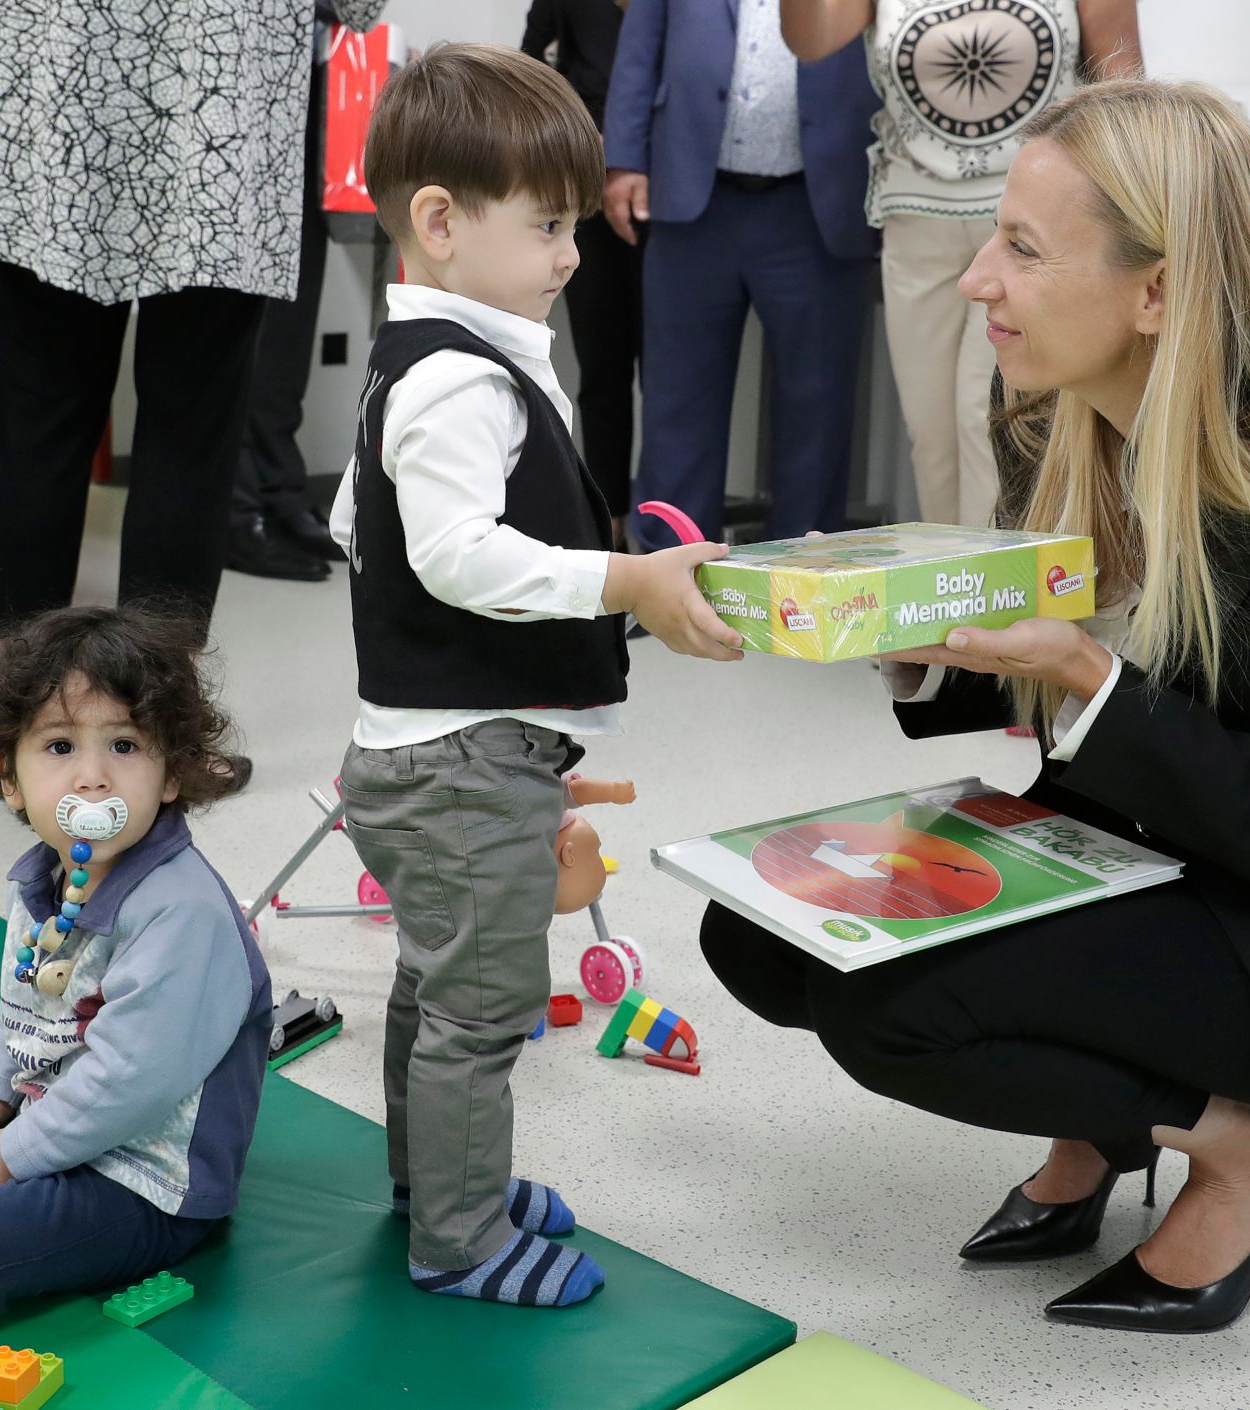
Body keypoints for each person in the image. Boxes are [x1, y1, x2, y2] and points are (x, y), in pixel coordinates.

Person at [698, 79, 1250, 1333]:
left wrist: (1089, 684)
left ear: (1156, 292)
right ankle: (1101, 1130)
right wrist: (906, 641)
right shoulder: (1053, 408)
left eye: (1022, 250)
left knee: (894, 1009)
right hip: (1138, 848)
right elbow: (1028, 647)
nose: (978, 280)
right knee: (762, 937)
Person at [331, 43, 741, 1310]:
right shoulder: (460, 373)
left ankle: (434, 1183)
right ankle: (457, 1240)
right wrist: (619, 584)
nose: (571, 253)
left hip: (424, 744)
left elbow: (359, 521)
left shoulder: (434, 355)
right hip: (460, 760)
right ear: (442, 224)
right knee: (484, 1006)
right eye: (547, 224)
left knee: (436, 984)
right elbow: (450, 553)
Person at [0, 604, 271, 1319]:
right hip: (52, 1100)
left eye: (125, 746)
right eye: (60, 747)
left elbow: (124, 1084)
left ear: (170, 776)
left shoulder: (182, 913)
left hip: (137, 1182)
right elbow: (21, 1016)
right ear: (10, 778)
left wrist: (0, 1156)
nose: (93, 778)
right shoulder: (45, 878)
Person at [0, 0, 384, 635]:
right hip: (216, 131)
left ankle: (22, 717)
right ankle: (159, 711)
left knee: (37, 424)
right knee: (191, 431)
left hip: (40, 119)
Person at [780, 0, 1142, 528]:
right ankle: (948, 592)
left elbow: (1123, 92)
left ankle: (993, 593)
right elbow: (810, 41)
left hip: (1034, 228)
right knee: (929, 433)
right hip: (915, 218)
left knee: (990, 421)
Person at [602, 0, 880, 549]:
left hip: (818, 202)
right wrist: (625, 160)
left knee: (818, 407)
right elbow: (639, 46)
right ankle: (671, 572)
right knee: (676, 403)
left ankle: (802, 580)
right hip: (692, 200)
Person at [228, 1, 353, 583]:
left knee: (292, 310)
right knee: (238, 315)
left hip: (307, 86)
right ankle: (237, 508)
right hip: (231, 87)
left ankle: (279, 489)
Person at [521, 0, 644, 548]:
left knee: (672, 381)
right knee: (603, 370)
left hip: (668, 199)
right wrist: (580, 148)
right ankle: (610, 527)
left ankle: (664, 534)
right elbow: (528, 80)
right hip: (588, 202)